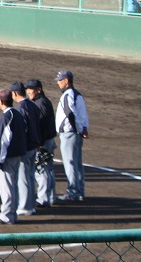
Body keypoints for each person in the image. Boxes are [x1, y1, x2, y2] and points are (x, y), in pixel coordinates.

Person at [0, 88, 27, 224]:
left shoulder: (6, 117)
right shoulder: (17, 113)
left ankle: (6, 215)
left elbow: (3, 140)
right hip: (17, 155)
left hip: (7, 157)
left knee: (6, 188)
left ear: (0, 101)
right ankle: (12, 214)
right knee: (12, 186)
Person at [55, 70, 89, 201]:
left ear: (66, 81)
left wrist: (77, 129)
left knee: (70, 164)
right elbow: (83, 115)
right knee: (77, 163)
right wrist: (83, 129)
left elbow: (70, 114)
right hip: (77, 133)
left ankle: (73, 192)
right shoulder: (78, 95)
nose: (58, 83)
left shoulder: (67, 95)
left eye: (60, 80)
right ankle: (79, 190)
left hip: (69, 133)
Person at [11, 81, 40, 216]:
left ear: (15, 93)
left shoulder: (21, 108)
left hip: (26, 147)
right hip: (34, 145)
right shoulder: (32, 105)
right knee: (30, 176)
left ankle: (24, 206)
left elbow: (22, 130)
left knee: (23, 177)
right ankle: (31, 205)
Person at [26, 79, 56, 208]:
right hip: (47, 140)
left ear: (38, 90)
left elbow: (42, 125)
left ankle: (43, 198)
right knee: (48, 169)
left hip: (43, 142)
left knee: (41, 170)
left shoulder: (41, 103)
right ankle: (51, 196)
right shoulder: (41, 101)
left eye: (30, 89)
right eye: (27, 89)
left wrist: (39, 143)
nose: (28, 92)